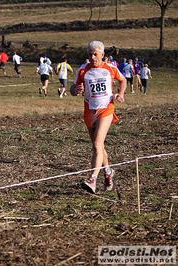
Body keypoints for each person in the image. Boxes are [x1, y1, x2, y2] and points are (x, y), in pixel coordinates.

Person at [70, 40, 126, 194]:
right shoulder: (83, 70)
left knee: (96, 144)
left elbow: (123, 80)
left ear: (102, 54)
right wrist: (75, 90)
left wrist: (120, 94)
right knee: (99, 147)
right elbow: (72, 89)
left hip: (106, 109)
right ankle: (108, 172)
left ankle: (92, 179)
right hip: (89, 111)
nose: (93, 57)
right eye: (90, 54)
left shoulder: (110, 68)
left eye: (95, 54)